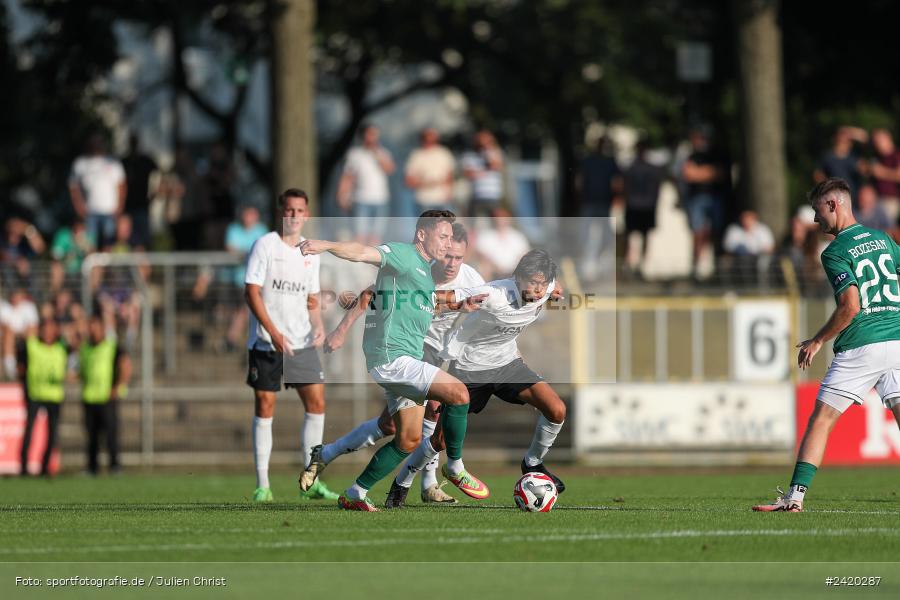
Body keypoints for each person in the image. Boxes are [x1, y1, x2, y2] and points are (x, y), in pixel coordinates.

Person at [297, 210, 488, 512]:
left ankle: (355, 492)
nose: (447, 244)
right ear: (422, 235)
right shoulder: (403, 254)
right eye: (443, 236)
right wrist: (325, 245)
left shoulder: (424, 272)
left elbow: (420, 302)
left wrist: (459, 305)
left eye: (450, 238)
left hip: (403, 360)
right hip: (392, 357)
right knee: (459, 393)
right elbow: (362, 253)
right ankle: (454, 467)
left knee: (408, 439)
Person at [753, 178, 900, 512]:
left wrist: (818, 340)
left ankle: (794, 498)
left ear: (834, 205)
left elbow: (851, 306)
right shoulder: (883, 239)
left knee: (821, 420)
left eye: (818, 211)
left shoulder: (835, 251)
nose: (816, 219)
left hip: (863, 345)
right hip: (896, 340)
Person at [388, 249, 566, 508]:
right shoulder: (494, 294)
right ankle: (402, 482)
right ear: (517, 277)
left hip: (507, 364)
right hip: (470, 370)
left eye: (543, 284)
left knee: (556, 409)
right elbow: (445, 297)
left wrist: (555, 289)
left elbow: (554, 285)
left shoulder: (546, 287)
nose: (538, 290)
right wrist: (402, 296)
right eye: (532, 282)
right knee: (439, 441)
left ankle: (532, 462)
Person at [243, 189, 337, 503]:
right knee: (265, 406)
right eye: (289, 210)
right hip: (267, 342)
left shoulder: (311, 252)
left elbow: (312, 298)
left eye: (300, 211)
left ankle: (312, 480)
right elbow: (251, 292)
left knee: (317, 404)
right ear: (281, 212)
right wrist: (273, 332)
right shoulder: (265, 245)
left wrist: (318, 324)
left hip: (301, 342)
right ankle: (263, 485)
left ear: (306, 215)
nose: (294, 216)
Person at [80, 313, 131, 475]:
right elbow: (83, 371)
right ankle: (92, 468)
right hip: (89, 397)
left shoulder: (112, 346)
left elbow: (125, 364)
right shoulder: (85, 348)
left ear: (102, 328)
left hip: (107, 397)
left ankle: (115, 466)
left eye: (95, 327)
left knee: (111, 434)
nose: (92, 330)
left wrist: (119, 387)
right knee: (92, 436)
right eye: (90, 327)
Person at [18, 319, 68, 476]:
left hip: (54, 396)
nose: (47, 333)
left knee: (52, 434)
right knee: (29, 431)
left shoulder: (61, 348)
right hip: (35, 394)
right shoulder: (32, 345)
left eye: (50, 329)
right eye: (45, 329)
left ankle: (45, 466)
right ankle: (24, 466)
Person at [680, 128, 728, 275]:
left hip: (715, 198)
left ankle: (717, 267)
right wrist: (709, 172)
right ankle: (696, 267)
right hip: (696, 199)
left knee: (716, 232)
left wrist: (699, 172)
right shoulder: (692, 156)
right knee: (698, 233)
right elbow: (688, 174)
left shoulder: (717, 154)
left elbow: (720, 174)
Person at [337, 124, 395, 244]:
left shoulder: (383, 153)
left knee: (376, 237)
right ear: (363, 135)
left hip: (381, 200)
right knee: (359, 235)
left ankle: (372, 256)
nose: (373, 137)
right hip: (360, 199)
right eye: (370, 134)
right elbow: (347, 177)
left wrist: (377, 153)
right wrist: (342, 195)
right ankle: (357, 256)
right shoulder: (354, 154)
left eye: (375, 134)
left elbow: (390, 169)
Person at [69, 133, 127, 250]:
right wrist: (79, 206)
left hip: (110, 211)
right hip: (90, 211)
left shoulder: (113, 162)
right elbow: (73, 186)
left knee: (109, 244)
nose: (97, 146)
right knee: (90, 244)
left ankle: (106, 262)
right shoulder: (81, 163)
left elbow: (122, 185)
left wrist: (119, 207)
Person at [623, 141, 664, 274]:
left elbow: (657, 189)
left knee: (644, 236)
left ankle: (642, 265)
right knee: (630, 235)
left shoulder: (650, 168)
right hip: (634, 205)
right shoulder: (632, 167)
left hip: (646, 206)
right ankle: (629, 263)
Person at [405, 129, 456, 214]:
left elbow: (450, 175)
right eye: (426, 140)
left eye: (433, 140)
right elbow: (408, 181)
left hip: (443, 200)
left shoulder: (443, 153)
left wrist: (450, 193)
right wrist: (426, 183)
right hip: (423, 200)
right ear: (422, 140)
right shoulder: (416, 155)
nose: (430, 143)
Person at [121, 134, 158, 250]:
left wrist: (153, 196)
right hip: (127, 208)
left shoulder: (145, 161)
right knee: (127, 240)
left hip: (142, 207)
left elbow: (159, 175)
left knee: (143, 241)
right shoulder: (124, 162)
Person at [474, 207, 531, 281]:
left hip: (514, 270)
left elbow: (525, 255)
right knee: (484, 267)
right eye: (498, 217)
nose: (500, 220)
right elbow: (480, 254)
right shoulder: (486, 235)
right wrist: (495, 267)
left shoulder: (518, 236)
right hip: (493, 270)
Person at [462, 129, 505, 218]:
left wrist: (487, 151)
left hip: (493, 195)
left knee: (496, 221)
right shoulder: (469, 155)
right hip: (476, 195)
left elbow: (496, 165)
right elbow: (468, 174)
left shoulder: (496, 152)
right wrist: (485, 171)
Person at [813, 126, 867, 196]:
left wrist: (849, 131)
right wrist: (827, 188)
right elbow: (817, 174)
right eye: (841, 140)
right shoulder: (827, 156)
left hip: (855, 197)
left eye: (847, 140)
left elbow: (864, 137)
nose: (843, 143)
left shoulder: (855, 156)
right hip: (835, 197)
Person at [1, 288, 39, 381]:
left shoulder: (29, 307)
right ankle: (11, 372)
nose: (15, 297)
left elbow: (33, 326)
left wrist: (20, 334)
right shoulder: (4, 307)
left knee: (29, 334)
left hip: (23, 336)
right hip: (7, 336)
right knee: (8, 336)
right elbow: (3, 326)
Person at [866, 128, 900, 225]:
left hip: (890, 200)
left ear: (888, 139)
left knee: (886, 228)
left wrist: (881, 172)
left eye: (879, 141)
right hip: (875, 199)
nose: (877, 144)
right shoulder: (878, 157)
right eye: (875, 142)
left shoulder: (897, 155)